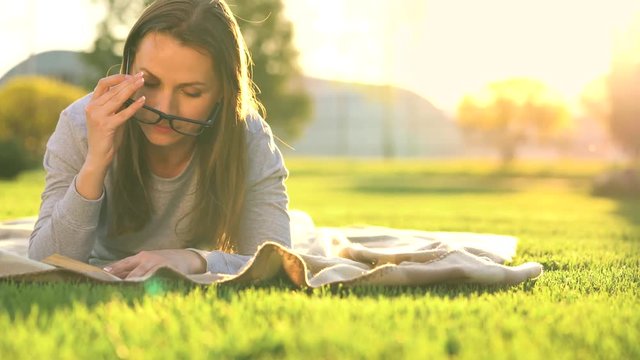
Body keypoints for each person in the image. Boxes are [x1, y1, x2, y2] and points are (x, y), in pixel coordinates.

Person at [28, 0, 291, 279]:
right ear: (127, 69)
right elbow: (44, 263)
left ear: (224, 92)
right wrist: (95, 163)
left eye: (191, 92)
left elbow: (275, 263)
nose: (165, 109)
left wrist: (194, 260)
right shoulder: (81, 123)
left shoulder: (248, 137)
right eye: (150, 83)